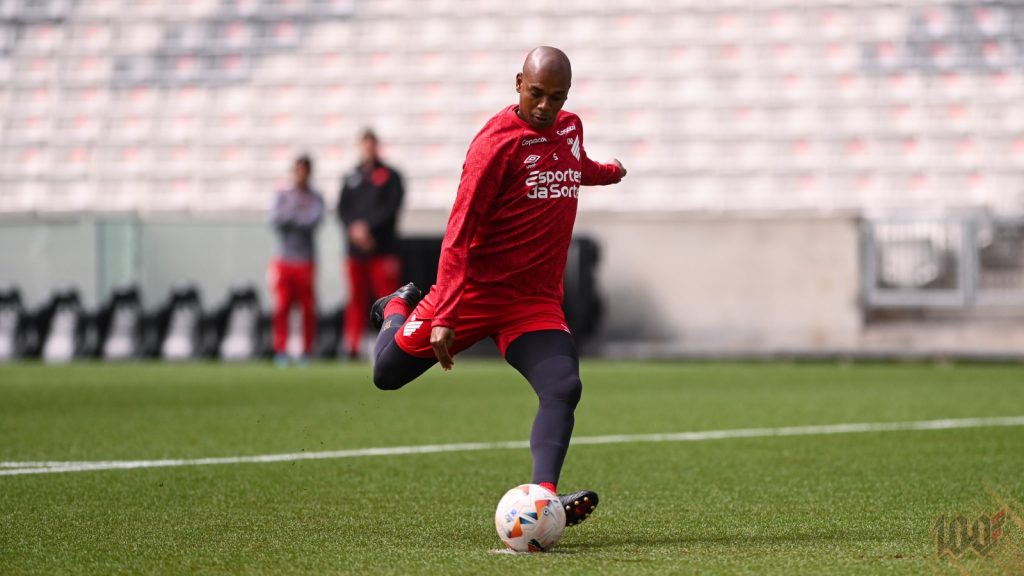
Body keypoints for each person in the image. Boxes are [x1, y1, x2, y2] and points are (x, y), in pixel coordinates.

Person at [369, 47, 626, 527]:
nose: (546, 106)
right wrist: (444, 313)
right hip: (472, 295)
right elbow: (460, 230)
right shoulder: (495, 144)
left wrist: (607, 172)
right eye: (536, 93)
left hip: (532, 301)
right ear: (517, 83)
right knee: (386, 374)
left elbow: (572, 165)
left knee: (564, 386)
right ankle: (398, 306)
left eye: (557, 96)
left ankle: (544, 501)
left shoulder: (570, 127)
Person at [337, 129, 405, 359]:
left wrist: (368, 228)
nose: (368, 149)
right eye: (364, 145)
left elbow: (391, 208)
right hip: (355, 252)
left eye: (371, 145)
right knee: (355, 300)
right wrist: (355, 230)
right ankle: (353, 347)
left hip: (382, 249)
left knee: (389, 301)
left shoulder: (391, 176)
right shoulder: (351, 177)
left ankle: (390, 346)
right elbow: (342, 209)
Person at [269, 154, 324, 366]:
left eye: (304, 170)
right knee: (282, 306)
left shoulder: (315, 197)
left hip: (305, 260)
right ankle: (281, 350)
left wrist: (291, 217)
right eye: (298, 169)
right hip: (284, 259)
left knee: (307, 307)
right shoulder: (283, 194)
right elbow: (274, 219)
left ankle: (306, 351)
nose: (301, 174)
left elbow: (313, 220)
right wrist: (297, 215)